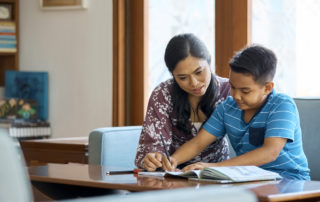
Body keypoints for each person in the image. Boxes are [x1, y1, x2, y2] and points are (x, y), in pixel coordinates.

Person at [161, 45, 310, 180]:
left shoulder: (282, 105)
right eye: (233, 87)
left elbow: (270, 152)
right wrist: (174, 160)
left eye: (245, 91)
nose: (236, 96)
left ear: (267, 88)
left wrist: (216, 167)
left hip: (290, 179)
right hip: (248, 179)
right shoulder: (227, 108)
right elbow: (198, 143)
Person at [135, 33, 231, 171]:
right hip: (174, 175)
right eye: (182, 77)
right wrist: (153, 159)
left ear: (209, 60)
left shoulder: (229, 91)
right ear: (172, 75)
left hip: (218, 174)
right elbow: (152, 148)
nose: (194, 83)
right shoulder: (163, 95)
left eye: (199, 72)